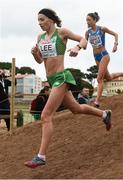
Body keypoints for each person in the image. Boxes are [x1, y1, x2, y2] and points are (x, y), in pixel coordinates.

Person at [24, 8, 112, 168]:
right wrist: (35, 54)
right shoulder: (40, 37)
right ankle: (104, 114)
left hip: (61, 77)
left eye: (42, 20)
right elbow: (41, 61)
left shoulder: (62, 32)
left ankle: (41, 156)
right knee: (76, 108)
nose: (40, 23)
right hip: (51, 80)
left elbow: (83, 39)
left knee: (45, 115)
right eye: (38, 21)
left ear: (51, 20)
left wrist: (77, 48)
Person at [84, 12, 123, 107]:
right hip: (96, 57)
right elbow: (84, 45)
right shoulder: (87, 32)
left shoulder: (101, 29)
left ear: (94, 20)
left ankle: (97, 101)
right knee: (108, 77)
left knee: (99, 79)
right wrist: (79, 46)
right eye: (86, 20)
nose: (87, 22)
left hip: (104, 55)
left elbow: (115, 34)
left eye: (89, 20)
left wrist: (115, 45)